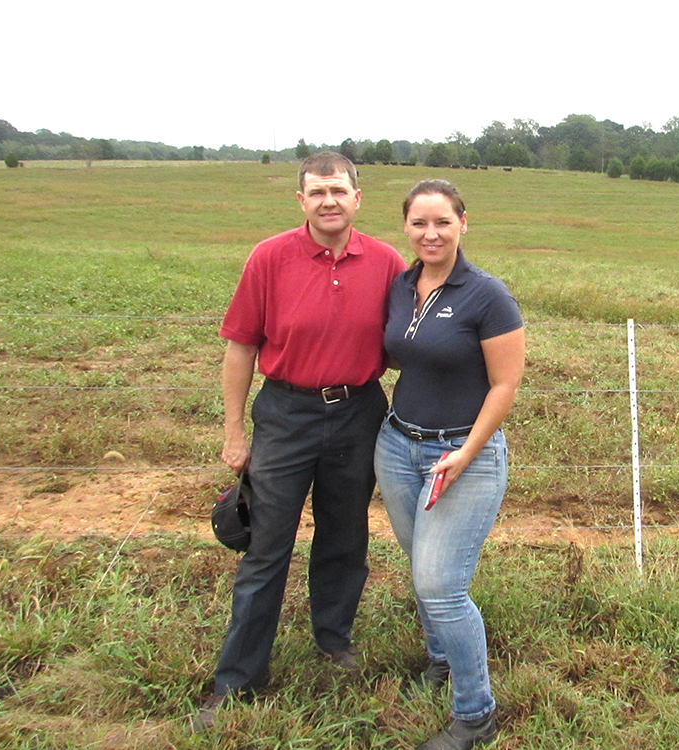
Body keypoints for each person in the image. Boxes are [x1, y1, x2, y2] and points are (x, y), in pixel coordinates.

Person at [192, 152, 407, 732]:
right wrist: (234, 432)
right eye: (317, 192)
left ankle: (333, 642)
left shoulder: (386, 262)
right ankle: (236, 680)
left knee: (345, 535)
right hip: (286, 415)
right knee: (266, 546)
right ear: (301, 200)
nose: (328, 201)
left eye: (338, 190)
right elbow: (240, 346)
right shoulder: (269, 257)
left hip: (358, 412)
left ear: (357, 197)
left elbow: (405, 343)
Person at [374, 180, 525, 750]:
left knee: (440, 585)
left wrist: (467, 451)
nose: (430, 234)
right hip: (397, 446)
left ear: (464, 223)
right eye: (419, 223)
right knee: (420, 566)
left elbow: (505, 384)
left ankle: (475, 713)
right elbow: (397, 353)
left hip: (462, 455)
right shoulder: (401, 286)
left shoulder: (487, 295)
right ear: (405, 228)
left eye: (442, 222)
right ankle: (439, 660)